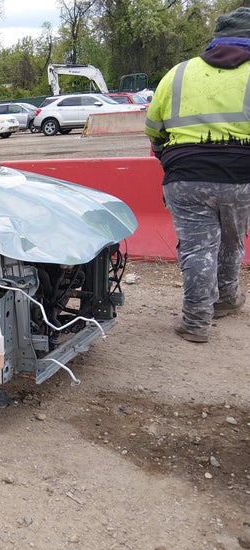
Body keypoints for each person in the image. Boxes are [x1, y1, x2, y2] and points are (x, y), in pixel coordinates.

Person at [145, 6, 250, 343]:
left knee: (197, 250)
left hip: (186, 174)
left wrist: (165, 154)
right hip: (242, 176)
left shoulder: (178, 74)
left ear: (215, 40)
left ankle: (195, 322)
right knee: (232, 241)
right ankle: (227, 299)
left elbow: (153, 128)